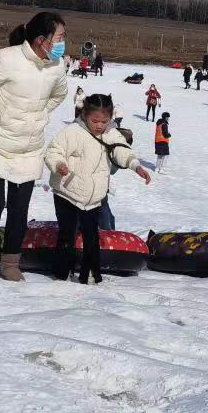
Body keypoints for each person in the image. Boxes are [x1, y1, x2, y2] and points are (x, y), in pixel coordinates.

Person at [0, 11, 68, 281]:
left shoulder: (57, 66)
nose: (62, 43)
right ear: (41, 39)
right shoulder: (7, 58)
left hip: (28, 149)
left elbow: (60, 94)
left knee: (19, 211)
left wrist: (41, 114)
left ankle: (11, 262)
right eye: (60, 37)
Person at [45, 94, 151, 284]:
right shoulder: (73, 131)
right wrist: (59, 163)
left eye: (104, 121)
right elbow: (54, 150)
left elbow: (122, 150)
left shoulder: (111, 133)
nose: (100, 125)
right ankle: (62, 272)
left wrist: (136, 166)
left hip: (93, 197)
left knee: (91, 236)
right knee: (67, 234)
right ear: (85, 115)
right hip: (66, 192)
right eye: (95, 121)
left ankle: (91, 274)